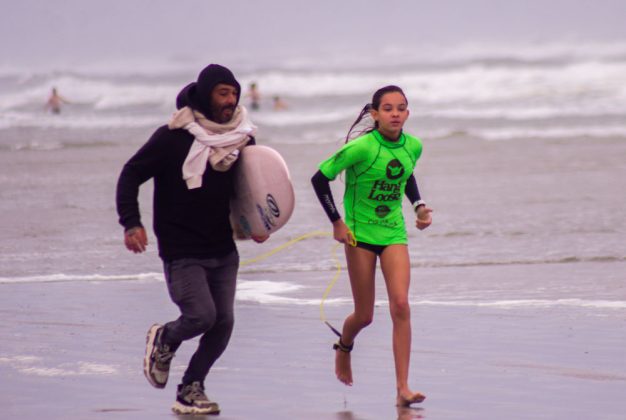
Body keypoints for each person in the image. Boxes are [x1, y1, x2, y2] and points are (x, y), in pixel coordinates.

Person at [116, 64, 267, 415]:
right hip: (182, 248)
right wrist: (131, 223)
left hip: (222, 247)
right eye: (222, 93)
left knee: (224, 322)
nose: (230, 101)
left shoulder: (242, 138)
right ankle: (165, 338)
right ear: (204, 94)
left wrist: (256, 224)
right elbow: (131, 173)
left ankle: (191, 388)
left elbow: (249, 190)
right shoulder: (173, 137)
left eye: (234, 93)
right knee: (201, 316)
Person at [311, 85, 433, 407]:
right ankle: (345, 346)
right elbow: (319, 178)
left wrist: (419, 206)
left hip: (393, 233)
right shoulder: (361, 148)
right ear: (375, 114)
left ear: (408, 113)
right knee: (364, 316)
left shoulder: (414, 146)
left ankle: (402, 389)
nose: (396, 113)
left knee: (401, 305)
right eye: (389, 108)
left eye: (402, 108)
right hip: (359, 236)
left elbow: (405, 175)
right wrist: (337, 222)